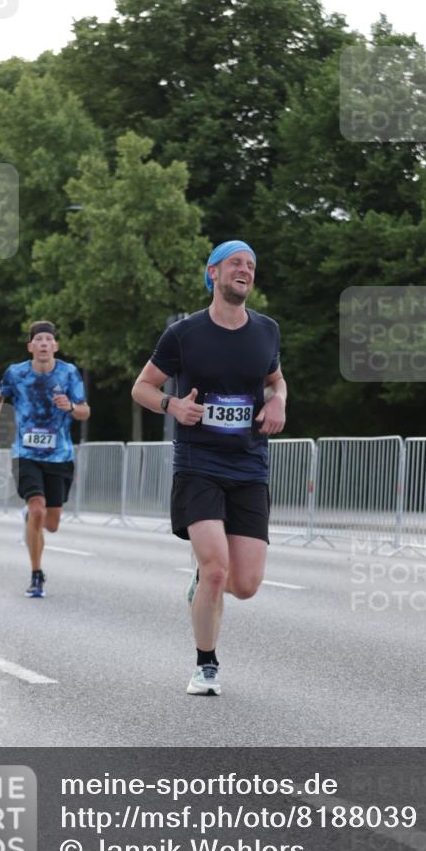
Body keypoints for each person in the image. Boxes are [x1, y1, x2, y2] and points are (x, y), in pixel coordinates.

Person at [132, 240, 286, 696]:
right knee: (218, 570)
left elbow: (276, 381)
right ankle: (206, 665)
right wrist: (172, 404)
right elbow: (142, 387)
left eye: (252, 265)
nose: (246, 270)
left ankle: (202, 578)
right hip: (198, 462)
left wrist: (278, 401)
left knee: (246, 584)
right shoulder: (184, 334)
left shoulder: (267, 331)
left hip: (250, 464)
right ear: (213, 273)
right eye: (236, 263)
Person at [0, 322, 89, 597]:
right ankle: (36, 573)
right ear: (30, 346)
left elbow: (85, 411)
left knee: (51, 524)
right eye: (38, 339)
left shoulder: (69, 373)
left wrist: (71, 407)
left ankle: (32, 517)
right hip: (25, 454)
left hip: (60, 455)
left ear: (55, 346)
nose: (43, 343)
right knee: (37, 509)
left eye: (48, 339)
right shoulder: (16, 373)